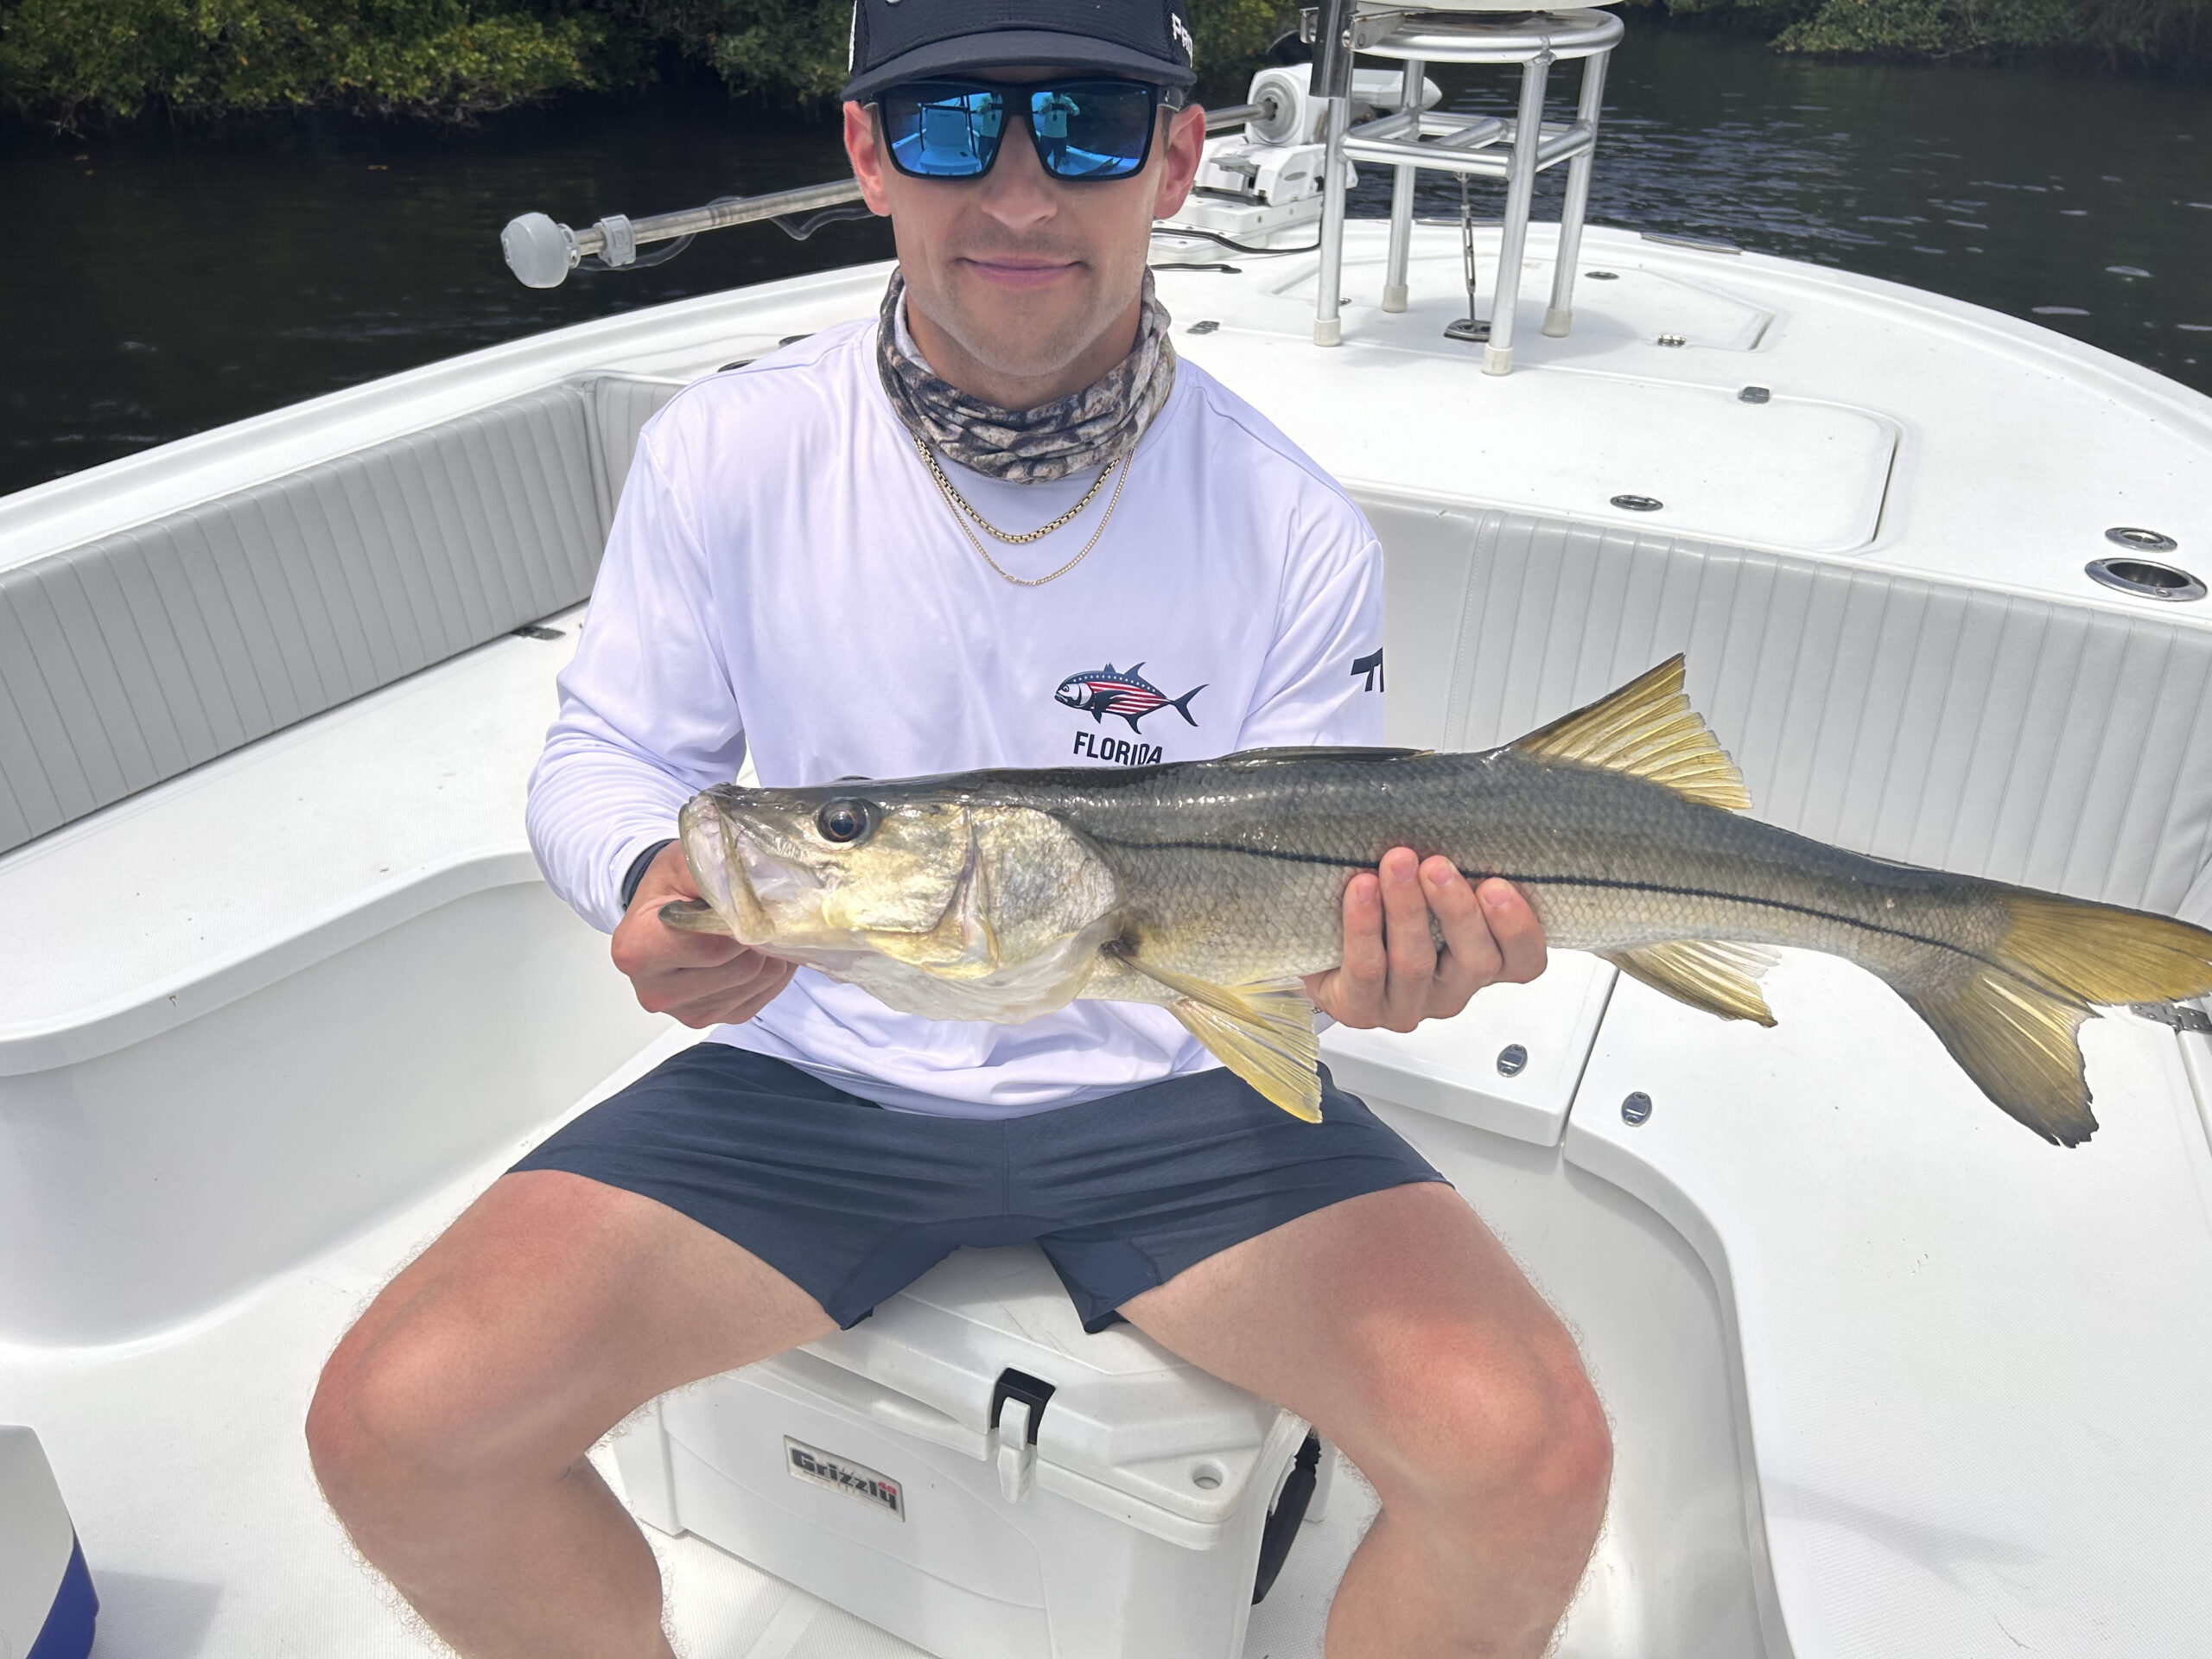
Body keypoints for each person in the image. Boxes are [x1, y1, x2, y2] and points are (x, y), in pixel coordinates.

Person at [306, 3, 1612, 1655]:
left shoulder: (1292, 528)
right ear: (866, 155)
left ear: (1180, 158)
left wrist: (1376, 970)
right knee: (398, 1430)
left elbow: (1309, 873)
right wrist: (646, 879)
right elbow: (613, 750)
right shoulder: (727, 452)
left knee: (1534, 1459)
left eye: (1083, 128)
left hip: (1176, 1081)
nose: (1016, 193)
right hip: (820, 1069)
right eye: (946, 126)